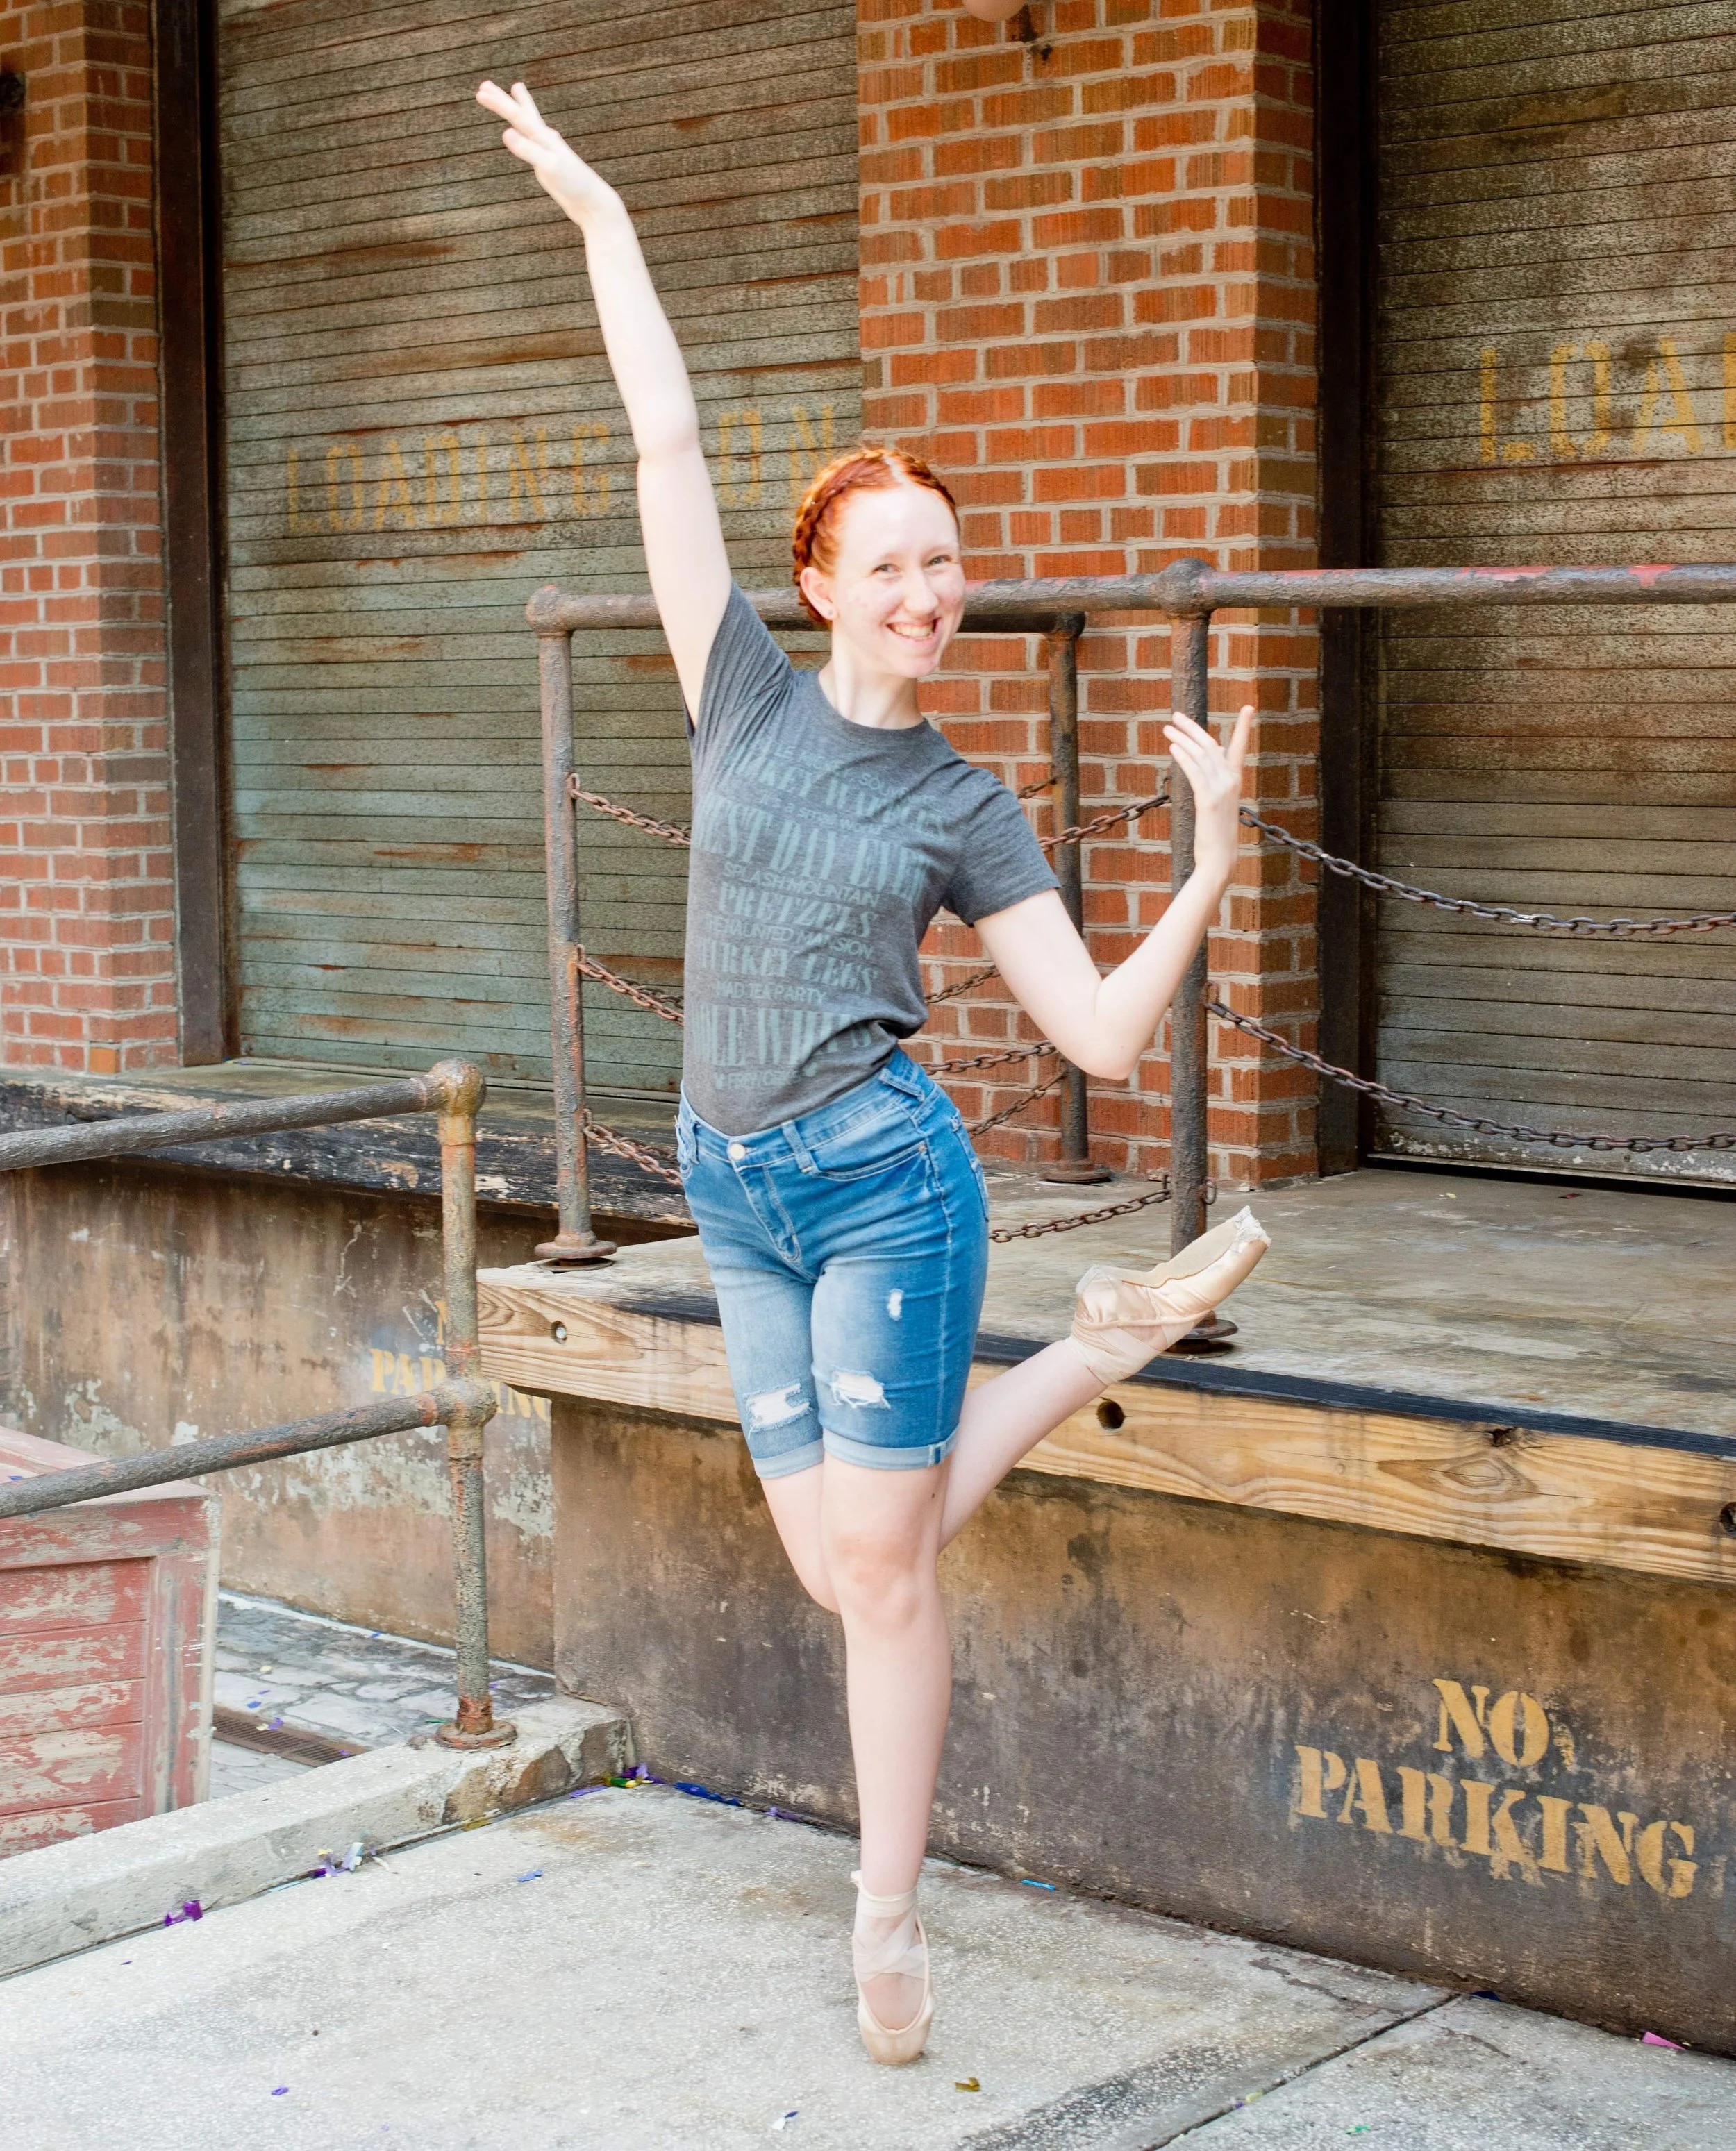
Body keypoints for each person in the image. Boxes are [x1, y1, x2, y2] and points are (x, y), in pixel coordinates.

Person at [478, 78, 1269, 2067]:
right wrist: (601, 216)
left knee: (881, 1578)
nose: (931, 592)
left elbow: (1093, 1035)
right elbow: (664, 437)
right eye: (892, 563)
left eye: (949, 562)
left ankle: (885, 1918)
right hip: (727, 1190)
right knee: (846, 1565)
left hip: (883, 1187)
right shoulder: (734, 690)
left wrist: (1212, 868)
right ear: (820, 583)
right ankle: (1100, 1345)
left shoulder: (964, 802)